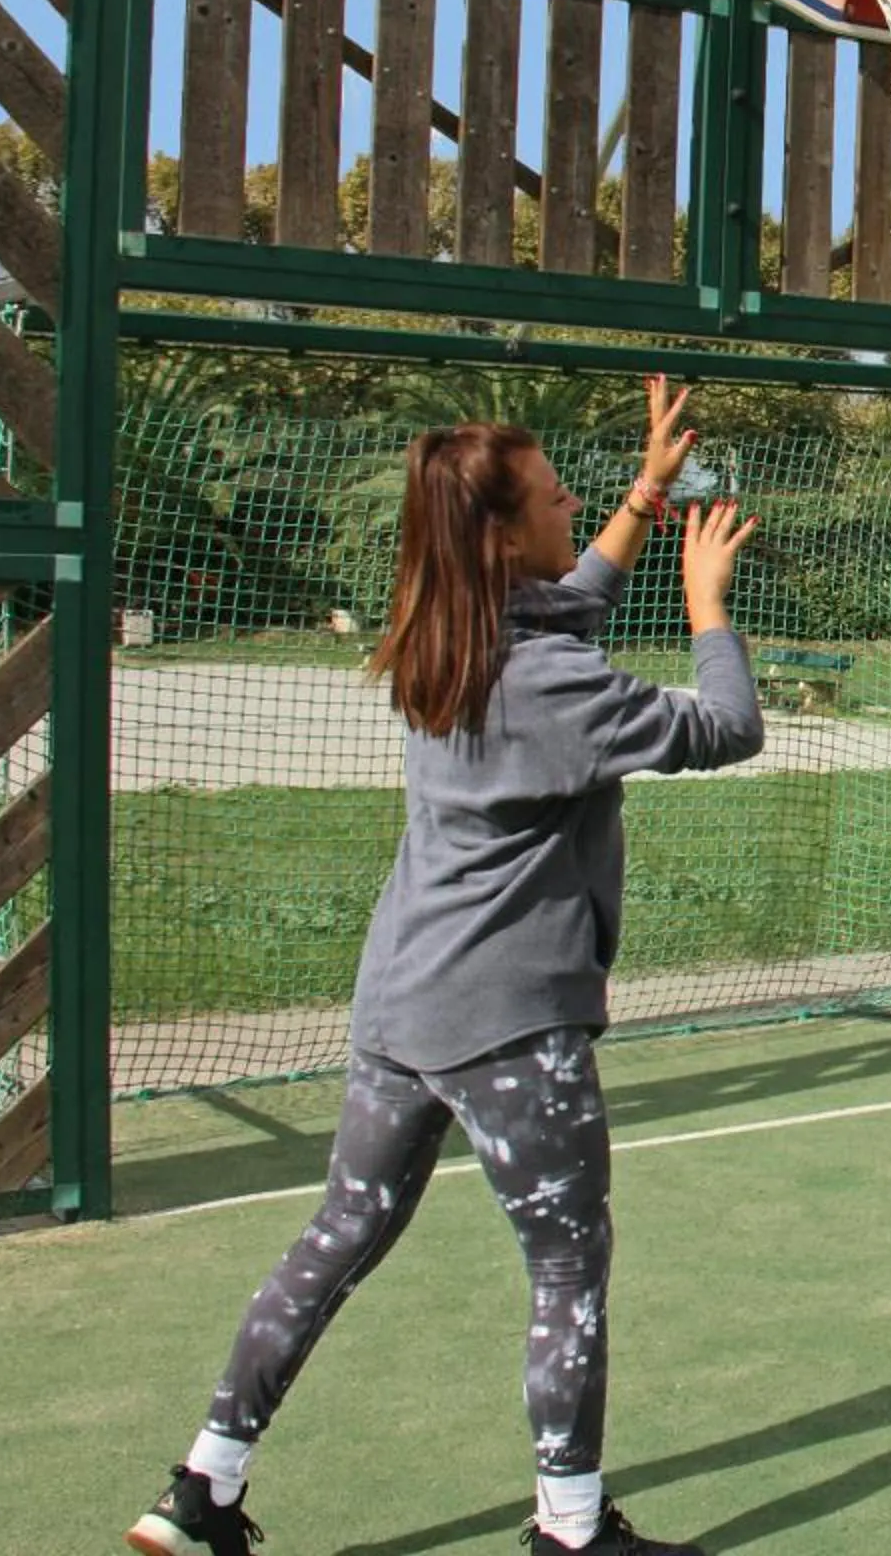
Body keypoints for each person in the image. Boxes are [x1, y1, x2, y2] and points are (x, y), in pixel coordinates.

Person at [130, 378, 763, 1556]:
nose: (572, 501)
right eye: (554, 493)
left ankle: (201, 1484)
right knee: (567, 1265)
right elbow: (728, 728)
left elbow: (571, 601)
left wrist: (646, 492)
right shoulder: (549, 683)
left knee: (339, 1234)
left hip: (401, 1003)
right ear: (504, 536)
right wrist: (707, 606)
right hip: (508, 1021)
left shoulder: (442, 638)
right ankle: (571, 1528)